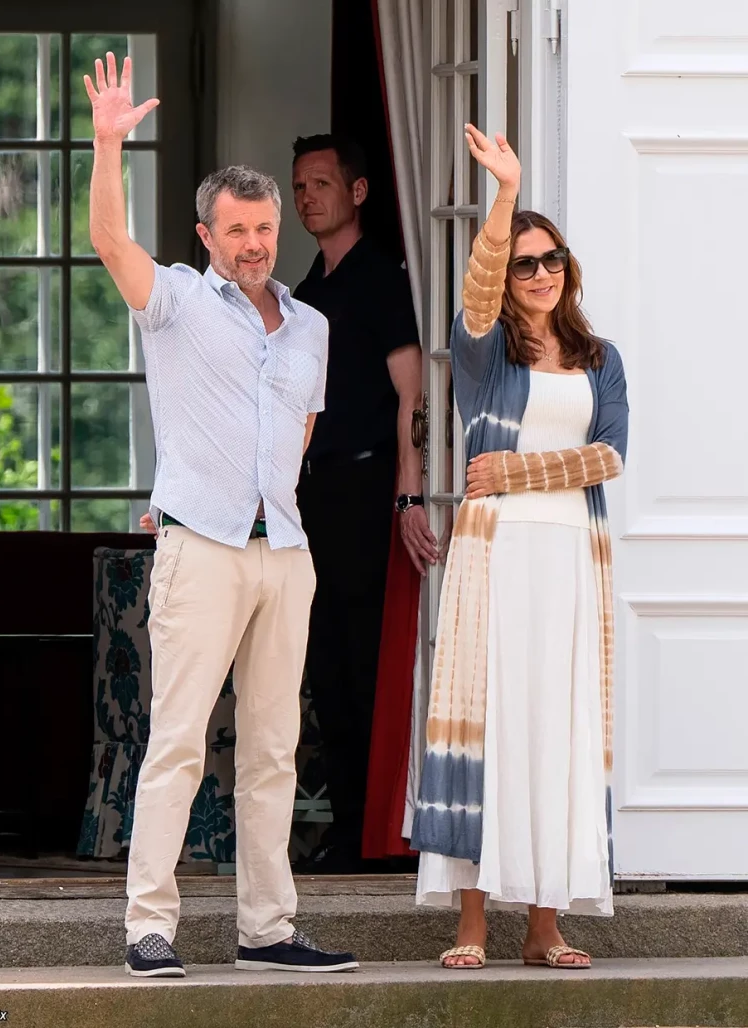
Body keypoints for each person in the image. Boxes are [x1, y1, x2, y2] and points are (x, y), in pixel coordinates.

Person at [85, 52, 357, 977]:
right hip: (199, 548)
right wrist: (109, 144)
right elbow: (110, 242)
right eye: (236, 230)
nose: (254, 243)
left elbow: (302, 433)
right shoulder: (174, 304)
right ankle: (148, 928)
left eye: (266, 227)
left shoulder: (311, 325)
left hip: (284, 552)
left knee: (275, 749)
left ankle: (268, 930)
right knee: (179, 743)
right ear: (206, 234)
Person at [411, 124, 628, 969]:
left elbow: (610, 455)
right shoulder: (483, 353)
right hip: (496, 560)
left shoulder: (601, 359)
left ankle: (545, 925)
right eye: (526, 262)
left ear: (569, 268)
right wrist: (505, 196)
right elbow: (476, 290)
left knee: (557, 730)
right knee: (490, 723)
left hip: (572, 561)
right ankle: (472, 921)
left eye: (552, 259)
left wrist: (517, 468)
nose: (539, 274)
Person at [291, 134, 438, 873]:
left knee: (364, 660)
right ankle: (349, 830)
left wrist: (408, 493)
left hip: (367, 484)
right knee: (323, 663)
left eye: (321, 183)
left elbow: (411, 397)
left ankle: (382, 835)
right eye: (299, 187)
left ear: (357, 192)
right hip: (313, 492)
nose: (306, 197)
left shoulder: (379, 280)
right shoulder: (306, 290)